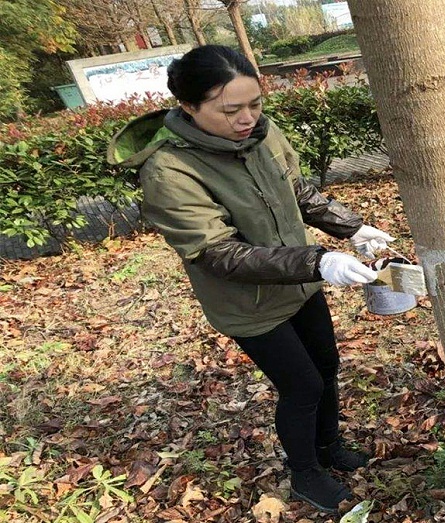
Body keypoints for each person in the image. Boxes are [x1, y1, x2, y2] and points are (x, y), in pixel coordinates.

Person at [107, 45, 395, 513]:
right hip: (249, 302)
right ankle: (306, 473)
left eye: (255, 104)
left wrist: (351, 226)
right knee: (301, 385)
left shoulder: (262, 133)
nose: (248, 118)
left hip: (300, 283)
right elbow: (215, 252)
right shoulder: (168, 169)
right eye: (231, 109)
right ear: (189, 107)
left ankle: (330, 448)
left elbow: (295, 187)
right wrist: (317, 261)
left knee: (325, 368)